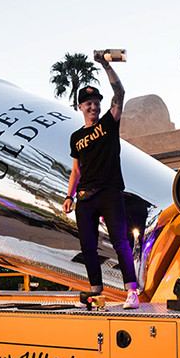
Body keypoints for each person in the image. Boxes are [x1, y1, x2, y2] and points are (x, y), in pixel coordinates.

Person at [63, 51, 139, 309]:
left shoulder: (108, 123)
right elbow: (76, 170)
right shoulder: (76, 137)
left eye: (96, 102)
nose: (93, 107)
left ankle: (132, 292)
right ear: (80, 107)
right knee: (88, 247)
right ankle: (96, 293)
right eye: (89, 104)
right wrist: (69, 195)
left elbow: (120, 95)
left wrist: (106, 66)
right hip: (85, 196)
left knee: (120, 240)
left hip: (109, 191)